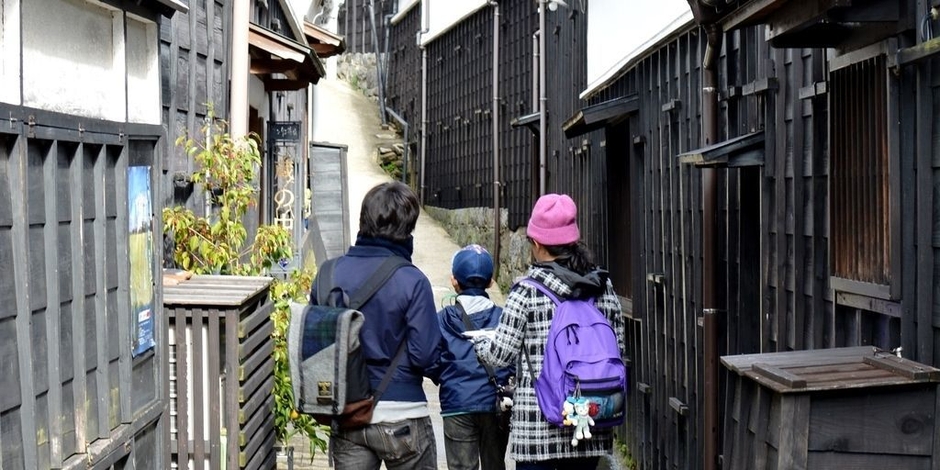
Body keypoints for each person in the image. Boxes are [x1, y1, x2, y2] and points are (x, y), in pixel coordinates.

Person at [473, 193, 625, 470]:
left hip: (538, 429)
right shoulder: (603, 287)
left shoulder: (527, 291)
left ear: (536, 242)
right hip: (589, 422)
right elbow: (619, 350)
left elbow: (499, 355)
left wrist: (480, 344)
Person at [308, 181, 441, 470]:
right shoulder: (413, 280)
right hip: (402, 414)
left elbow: (318, 346)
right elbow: (425, 356)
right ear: (408, 228)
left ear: (363, 220)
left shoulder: (327, 274)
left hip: (348, 413)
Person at [428, 244, 514, 470]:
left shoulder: (442, 319)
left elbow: (429, 359)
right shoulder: (503, 318)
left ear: (454, 281)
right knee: (495, 465)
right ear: (491, 282)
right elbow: (514, 361)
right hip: (496, 404)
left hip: (457, 403)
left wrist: (444, 377)